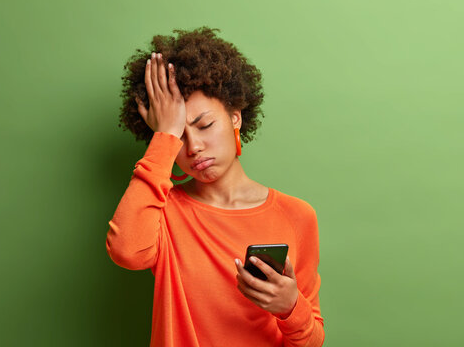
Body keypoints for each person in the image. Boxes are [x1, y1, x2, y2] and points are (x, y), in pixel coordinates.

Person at [106, 26, 325, 346]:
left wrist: (290, 308)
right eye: (179, 135)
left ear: (235, 117)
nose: (193, 147)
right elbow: (127, 252)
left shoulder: (296, 215)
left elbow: (312, 341)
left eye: (205, 125)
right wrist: (163, 137)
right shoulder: (162, 211)